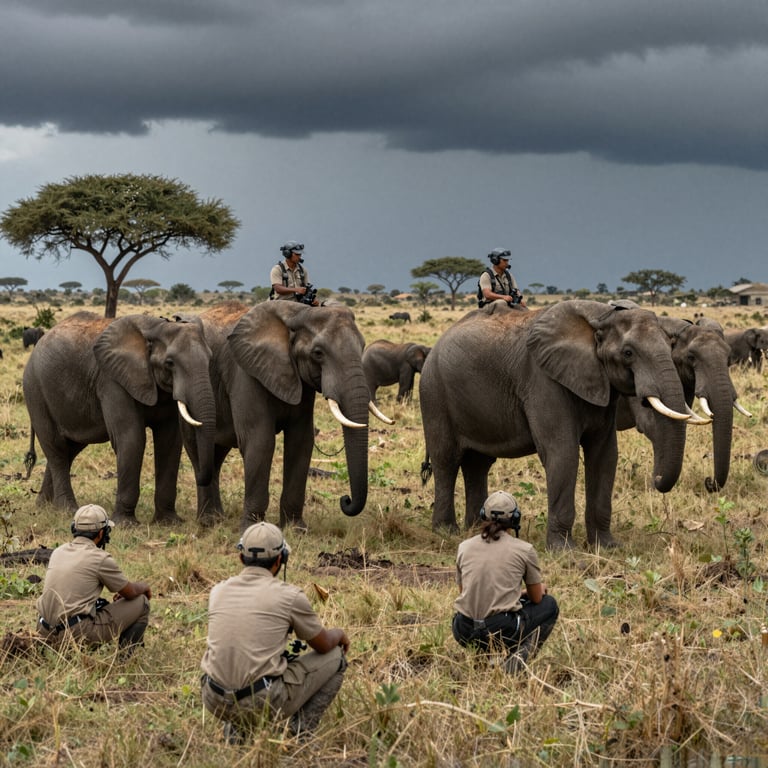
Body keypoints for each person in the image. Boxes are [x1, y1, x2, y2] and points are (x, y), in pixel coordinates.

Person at [200, 522, 349, 743]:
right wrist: (339, 634)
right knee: (336, 657)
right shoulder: (290, 596)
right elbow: (324, 645)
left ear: (241, 558)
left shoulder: (217, 590)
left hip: (212, 698)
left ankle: (236, 733)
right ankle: (299, 735)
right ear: (281, 559)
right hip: (261, 700)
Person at [452, 491, 558, 674]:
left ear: (483, 515)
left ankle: (484, 661)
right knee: (549, 606)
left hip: (464, 629)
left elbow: (466, 593)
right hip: (501, 629)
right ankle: (514, 664)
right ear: (515, 519)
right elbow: (537, 598)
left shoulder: (464, 547)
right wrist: (536, 590)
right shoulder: (525, 550)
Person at [36, 504, 152, 655]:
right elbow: (131, 593)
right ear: (101, 533)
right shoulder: (100, 558)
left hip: (43, 632)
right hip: (75, 634)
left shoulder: (58, 552)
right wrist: (144, 587)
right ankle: (125, 658)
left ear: (74, 529)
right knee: (142, 602)